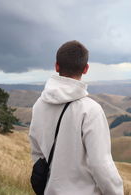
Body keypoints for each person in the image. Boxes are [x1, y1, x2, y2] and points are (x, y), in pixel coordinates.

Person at [29, 40, 124, 195]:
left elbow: (37, 153)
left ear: (57, 66)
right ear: (86, 69)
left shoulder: (39, 105)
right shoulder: (90, 110)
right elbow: (100, 164)